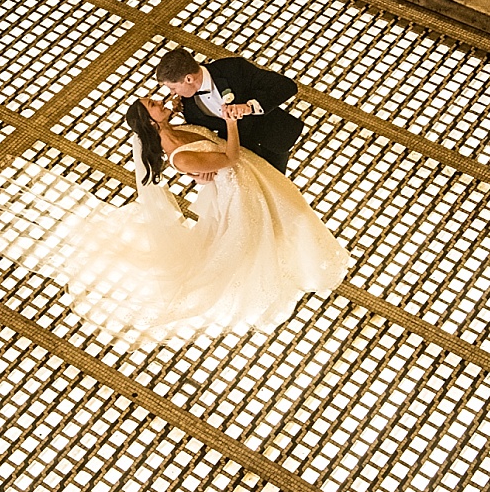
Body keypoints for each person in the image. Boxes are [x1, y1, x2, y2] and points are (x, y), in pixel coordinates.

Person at [50, 95, 348, 345]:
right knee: (279, 223)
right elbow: (229, 158)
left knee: (288, 214)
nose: (159, 99)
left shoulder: (177, 128)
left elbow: (207, 150)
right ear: (151, 121)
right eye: (153, 103)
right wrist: (232, 124)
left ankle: (304, 259)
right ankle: (301, 265)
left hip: (250, 174)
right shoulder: (178, 157)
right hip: (242, 188)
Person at [155, 48, 304, 174]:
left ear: (188, 79)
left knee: (280, 187)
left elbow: (286, 86)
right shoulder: (188, 106)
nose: (173, 93)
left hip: (274, 137)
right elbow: (204, 140)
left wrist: (249, 107)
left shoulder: (233, 69)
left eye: (173, 87)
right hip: (242, 155)